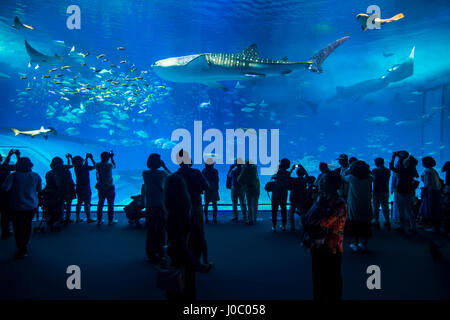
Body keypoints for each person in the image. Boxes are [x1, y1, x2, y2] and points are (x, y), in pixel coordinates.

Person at [164, 174, 212, 301]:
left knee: (176, 288)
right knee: (187, 287)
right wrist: (197, 262)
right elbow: (188, 239)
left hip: (177, 257)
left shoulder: (172, 214)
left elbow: (176, 240)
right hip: (186, 257)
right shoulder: (186, 212)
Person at [302, 170, 346, 300]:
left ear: (334, 184)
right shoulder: (321, 199)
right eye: (320, 180)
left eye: (324, 181)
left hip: (330, 248)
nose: (320, 183)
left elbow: (322, 223)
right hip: (317, 247)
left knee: (331, 281)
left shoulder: (338, 203)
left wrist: (308, 225)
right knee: (319, 279)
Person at [175, 150, 211, 267]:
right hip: (195, 205)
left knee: (183, 234)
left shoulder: (177, 175)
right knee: (200, 233)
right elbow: (207, 186)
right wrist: (199, 188)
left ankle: (184, 259)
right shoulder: (196, 172)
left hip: (182, 208)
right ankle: (204, 260)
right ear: (189, 160)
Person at [2, 157, 42, 258]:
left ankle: (21, 248)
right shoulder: (35, 176)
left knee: (17, 227)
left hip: (17, 206)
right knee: (27, 225)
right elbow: (39, 189)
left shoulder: (13, 176)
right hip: (32, 205)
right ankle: (25, 243)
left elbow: (5, 188)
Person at [143, 153, 170, 262]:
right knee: (161, 229)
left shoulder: (145, 173)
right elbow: (173, 177)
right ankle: (160, 251)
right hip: (160, 204)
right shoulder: (162, 173)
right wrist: (164, 166)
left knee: (151, 229)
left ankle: (150, 252)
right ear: (159, 163)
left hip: (149, 204)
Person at [343, 161, 373, 252]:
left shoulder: (352, 178)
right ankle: (364, 244)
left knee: (355, 225)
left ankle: (355, 244)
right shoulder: (370, 178)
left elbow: (343, 176)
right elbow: (372, 176)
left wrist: (349, 168)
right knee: (366, 225)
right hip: (366, 205)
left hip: (354, 205)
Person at [389, 152, 419, 234]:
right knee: (409, 209)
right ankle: (414, 227)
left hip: (401, 192)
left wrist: (393, 158)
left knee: (401, 210)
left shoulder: (403, 170)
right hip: (409, 191)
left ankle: (403, 228)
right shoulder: (412, 170)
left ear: (406, 163)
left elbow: (391, 167)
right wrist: (398, 156)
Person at [45, 157, 76, 224]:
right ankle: (67, 218)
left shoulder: (51, 172)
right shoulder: (65, 169)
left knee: (61, 204)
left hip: (59, 190)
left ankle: (61, 218)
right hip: (68, 189)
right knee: (68, 204)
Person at [68, 153, 96, 223]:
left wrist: (71, 158)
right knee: (87, 202)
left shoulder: (76, 168)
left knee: (79, 202)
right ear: (81, 161)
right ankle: (88, 218)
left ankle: (77, 218)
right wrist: (91, 158)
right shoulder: (85, 168)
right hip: (86, 187)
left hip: (78, 187)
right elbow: (95, 166)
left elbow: (76, 163)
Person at [0, 149, 19, 240]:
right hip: (5, 194)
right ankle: (5, 231)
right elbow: (19, 167)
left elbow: (4, 165)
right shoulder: (5, 168)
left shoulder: (4, 167)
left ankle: (5, 231)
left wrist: (9, 156)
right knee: (5, 214)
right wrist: (16, 156)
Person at [419, 156, 442, 232]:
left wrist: (423, 190)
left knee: (431, 209)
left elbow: (428, 183)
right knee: (435, 209)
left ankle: (434, 226)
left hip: (431, 192)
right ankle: (436, 226)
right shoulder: (433, 170)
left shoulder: (427, 171)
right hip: (436, 191)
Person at [95, 151, 117, 225]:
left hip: (101, 187)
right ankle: (110, 220)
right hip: (109, 187)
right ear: (108, 158)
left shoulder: (97, 165)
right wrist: (112, 157)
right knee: (110, 204)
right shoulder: (109, 165)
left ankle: (99, 220)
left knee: (100, 203)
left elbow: (95, 166)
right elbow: (114, 166)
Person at [270, 158, 291, 231]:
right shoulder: (288, 173)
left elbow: (274, 176)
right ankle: (284, 225)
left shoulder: (278, 172)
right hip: (284, 193)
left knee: (274, 209)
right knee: (283, 209)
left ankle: (274, 226)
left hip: (276, 193)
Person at [237, 160, 260, 225]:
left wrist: (245, 184)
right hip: (256, 189)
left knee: (249, 205)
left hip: (249, 190)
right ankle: (254, 218)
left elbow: (239, 180)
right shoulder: (254, 169)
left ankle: (251, 219)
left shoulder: (245, 171)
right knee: (255, 204)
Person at [371, 158, 391, 229]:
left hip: (377, 190)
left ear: (376, 163)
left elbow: (373, 180)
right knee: (385, 206)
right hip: (385, 190)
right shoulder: (387, 170)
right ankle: (387, 221)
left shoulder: (374, 170)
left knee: (376, 207)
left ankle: (376, 221)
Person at [288, 164, 308, 231]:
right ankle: (303, 226)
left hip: (293, 199)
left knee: (291, 213)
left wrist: (292, 169)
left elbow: (287, 177)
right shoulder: (304, 181)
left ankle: (292, 226)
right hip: (302, 199)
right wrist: (303, 168)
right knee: (303, 213)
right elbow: (307, 176)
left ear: (297, 173)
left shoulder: (294, 180)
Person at [202, 159, 220, 224]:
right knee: (214, 204)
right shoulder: (215, 171)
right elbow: (217, 180)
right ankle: (214, 219)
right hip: (214, 189)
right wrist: (217, 188)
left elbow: (203, 180)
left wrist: (203, 188)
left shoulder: (204, 171)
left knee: (206, 204)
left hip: (207, 189)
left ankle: (206, 219)